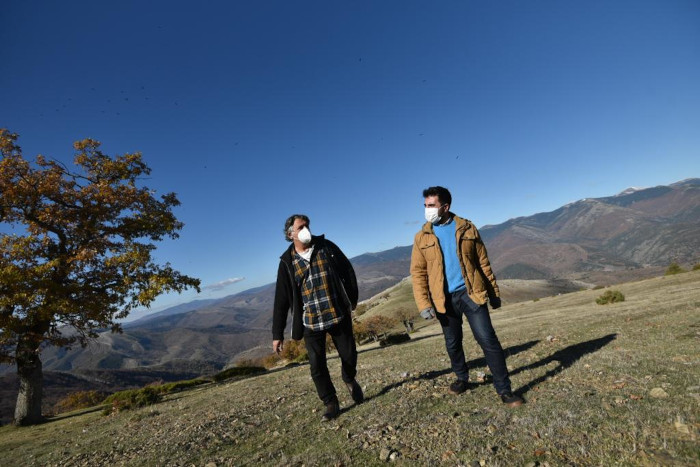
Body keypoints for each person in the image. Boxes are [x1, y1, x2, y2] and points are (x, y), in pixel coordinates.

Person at [410, 186, 524, 407]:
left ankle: (505, 390)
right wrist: (424, 303)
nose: (427, 210)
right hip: (443, 299)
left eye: (431, 205)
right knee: (453, 343)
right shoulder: (421, 237)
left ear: (445, 206)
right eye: (425, 206)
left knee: (488, 340)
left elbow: (483, 263)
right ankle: (462, 378)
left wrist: (494, 293)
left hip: (471, 294)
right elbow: (418, 272)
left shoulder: (468, 228)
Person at [272, 214, 364, 421]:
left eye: (307, 225)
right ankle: (330, 402)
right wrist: (277, 334)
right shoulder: (287, 263)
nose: (306, 229)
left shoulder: (326, 247)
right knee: (317, 366)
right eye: (300, 227)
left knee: (349, 355)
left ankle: (349, 379)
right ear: (290, 234)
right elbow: (281, 299)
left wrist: (352, 300)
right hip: (311, 322)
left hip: (337, 313)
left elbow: (347, 271)